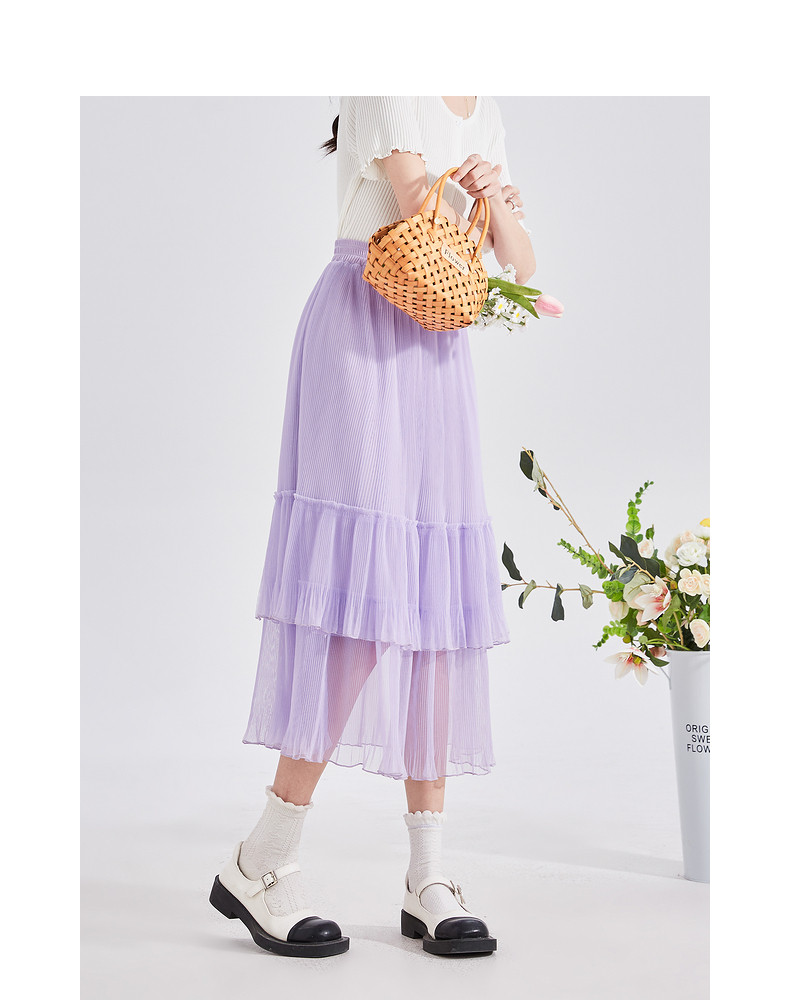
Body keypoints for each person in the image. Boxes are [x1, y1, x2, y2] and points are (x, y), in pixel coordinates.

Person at [209, 96, 536, 959]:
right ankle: (261, 859)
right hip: (363, 325)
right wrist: (473, 194)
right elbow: (416, 201)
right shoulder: (390, 73)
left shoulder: (484, 104)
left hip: (436, 343)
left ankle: (429, 876)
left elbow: (519, 260)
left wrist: (494, 199)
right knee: (356, 606)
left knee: (434, 608)